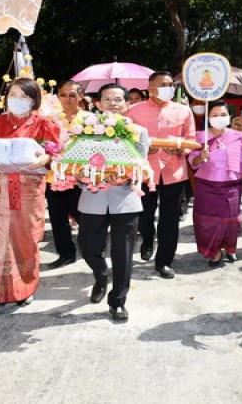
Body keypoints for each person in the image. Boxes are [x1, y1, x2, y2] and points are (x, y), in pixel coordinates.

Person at [0, 77, 60, 314]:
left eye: (24, 96)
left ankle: (25, 289)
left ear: (34, 101)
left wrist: (47, 159)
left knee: (25, 240)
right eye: (13, 95)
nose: (18, 100)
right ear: (5, 97)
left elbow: (55, 154)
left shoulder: (45, 124)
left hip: (28, 191)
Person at [78, 84, 149, 321]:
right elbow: (74, 162)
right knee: (88, 246)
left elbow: (141, 163)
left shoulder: (138, 131)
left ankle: (118, 301)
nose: (113, 103)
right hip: (93, 196)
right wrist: (82, 178)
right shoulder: (85, 130)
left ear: (127, 104)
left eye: (118, 99)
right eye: (107, 99)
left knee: (124, 253)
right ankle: (100, 275)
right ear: (97, 104)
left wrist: (127, 175)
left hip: (125, 198)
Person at [126, 71, 196, 279]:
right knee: (143, 215)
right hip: (145, 172)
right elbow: (126, 140)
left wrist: (182, 149)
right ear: (150, 88)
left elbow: (190, 138)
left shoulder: (183, 111)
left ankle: (164, 261)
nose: (169, 88)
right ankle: (148, 239)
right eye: (163, 84)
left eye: (170, 84)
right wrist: (143, 149)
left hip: (173, 172)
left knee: (170, 219)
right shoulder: (134, 111)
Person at [188, 101, 242, 267]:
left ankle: (230, 248)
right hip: (207, 186)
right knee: (207, 222)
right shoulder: (199, 137)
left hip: (232, 185)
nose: (219, 118)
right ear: (208, 117)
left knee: (232, 221)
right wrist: (201, 156)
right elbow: (192, 160)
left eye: (223, 115)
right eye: (215, 115)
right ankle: (214, 252)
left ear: (229, 116)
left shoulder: (237, 136)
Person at [45, 81, 91, 269]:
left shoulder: (91, 119)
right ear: (58, 97)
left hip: (83, 176)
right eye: (63, 95)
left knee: (85, 217)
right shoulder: (50, 119)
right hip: (55, 176)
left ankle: (92, 250)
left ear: (80, 97)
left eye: (72, 95)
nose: (68, 99)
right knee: (58, 218)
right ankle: (66, 254)